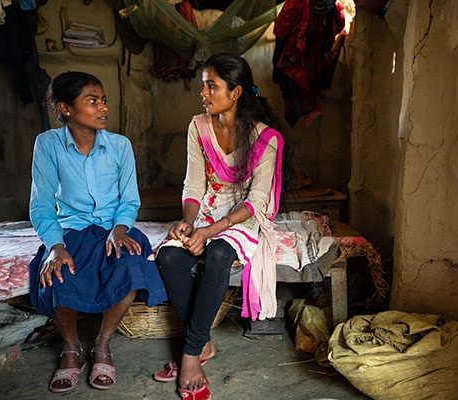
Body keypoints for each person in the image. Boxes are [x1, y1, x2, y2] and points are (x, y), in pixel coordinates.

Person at [152, 53, 292, 400]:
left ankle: (189, 355)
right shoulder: (198, 127)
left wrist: (211, 231)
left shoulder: (266, 139)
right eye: (204, 85)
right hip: (209, 207)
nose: (203, 92)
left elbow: (258, 201)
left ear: (236, 92)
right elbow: (194, 185)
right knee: (169, 258)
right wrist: (188, 223)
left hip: (242, 213)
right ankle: (204, 343)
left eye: (211, 85)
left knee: (217, 254)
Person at [28, 71, 168, 393]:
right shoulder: (48, 145)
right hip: (71, 229)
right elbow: (41, 206)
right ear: (66, 108)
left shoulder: (120, 146)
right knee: (59, 272)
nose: (103, 107)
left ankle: (102, 344)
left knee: (132, 263)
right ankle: (71, 346)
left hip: (112, 228)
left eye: (103, 100)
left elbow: (130, 200)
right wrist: (54, 246)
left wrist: (120, 229)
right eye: (92, 101)